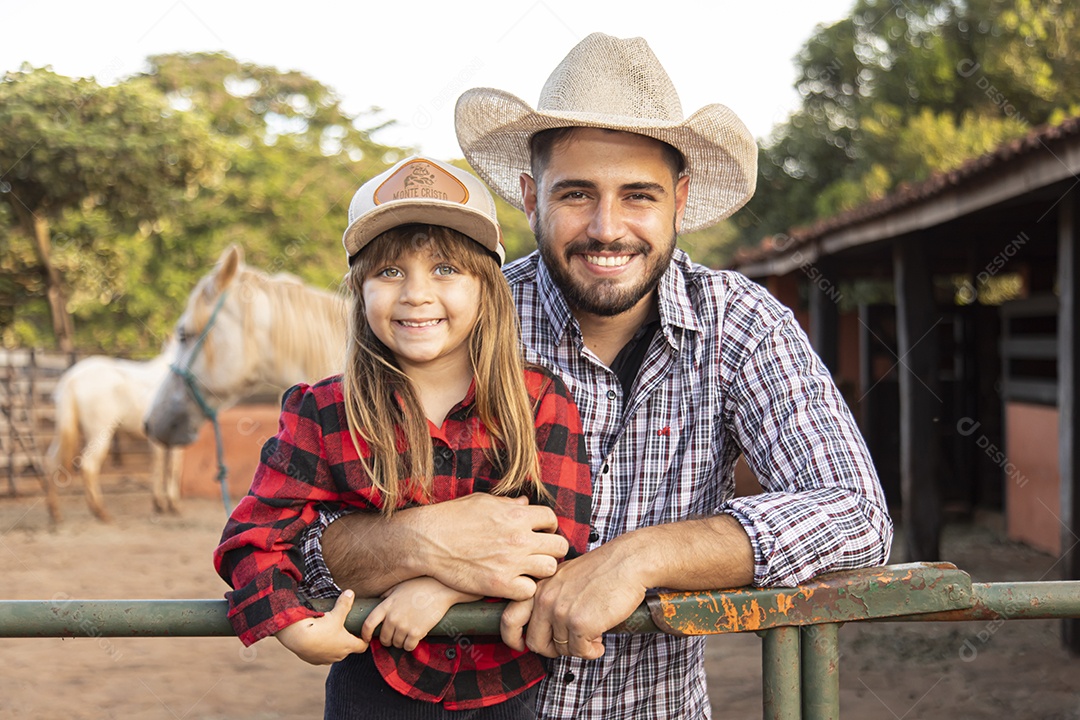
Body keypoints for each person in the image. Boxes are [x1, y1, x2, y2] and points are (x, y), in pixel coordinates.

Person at [302, 33, 893, 718]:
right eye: (577, 194)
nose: (607, 229)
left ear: (679, 200)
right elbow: (304, 533)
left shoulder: (741, 323)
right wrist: (424, 543)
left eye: (638, 195)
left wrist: (639, 557)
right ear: (531, 198)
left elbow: (857, 516)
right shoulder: (454, 317)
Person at [213, 155, 592, 718]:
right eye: (390, 272)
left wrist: (444, 591)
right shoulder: (324, 411)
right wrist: (292, 626)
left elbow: (562, 541)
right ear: (359, 289)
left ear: (487, 289)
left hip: (504, 687)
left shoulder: (538, 401)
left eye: (446, 269)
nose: (416, 294)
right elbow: (253, 538)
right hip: (372, 684)